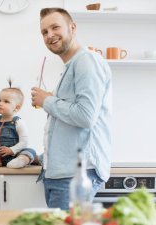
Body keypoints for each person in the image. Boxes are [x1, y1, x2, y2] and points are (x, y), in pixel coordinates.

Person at [31, 8, 112, 210]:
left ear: (72, 28)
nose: (50, 35)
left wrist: (47, 101)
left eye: (55, 27)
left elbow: (86, 117)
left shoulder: (86, 60)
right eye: (44, 32)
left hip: (75, 175)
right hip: (61, 173)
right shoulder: (70, 66)